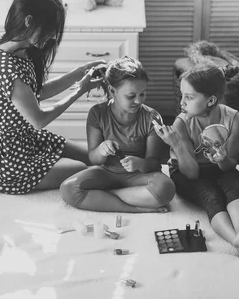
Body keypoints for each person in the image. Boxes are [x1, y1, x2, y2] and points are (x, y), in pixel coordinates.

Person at [0, 0, 105, 194]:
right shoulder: (7, 69)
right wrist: (80, 90)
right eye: (49, 29)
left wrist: (80, 72)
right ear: (29, 21)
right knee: (83, 169)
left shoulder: (21, 53)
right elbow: (39, 120)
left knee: (93, 157)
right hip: (3, 161)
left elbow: (37, 93)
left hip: (26, 141)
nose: (51, 37)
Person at [155, 63, 239, 261]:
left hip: (217, 168)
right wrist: (177, 145)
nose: (182, 103)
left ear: (211, 100)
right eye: (182, 95)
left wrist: (222, 160)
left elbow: (230, 165)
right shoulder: (182, 123)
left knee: (234, 182)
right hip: (186, 171)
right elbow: (192, 174)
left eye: (189, 97)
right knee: (210, 195)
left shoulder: (234, 119)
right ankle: (235, 240)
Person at [60, 56, 176, 213]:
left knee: (166, 187)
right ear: (112, 91)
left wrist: (140, 164)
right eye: (131, 96)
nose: (138, 100)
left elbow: (154, 163)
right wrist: (102, 149)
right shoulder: (97, 114)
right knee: (68, 189)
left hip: (138, 177)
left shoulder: (151, 117)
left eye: (142, 94)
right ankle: (135, 208)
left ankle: (106, 196)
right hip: (106, 173)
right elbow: (94, 159)